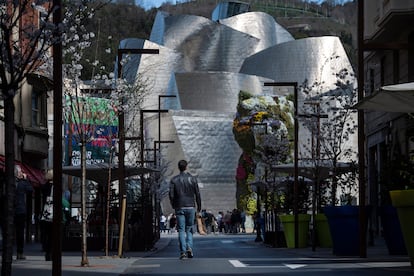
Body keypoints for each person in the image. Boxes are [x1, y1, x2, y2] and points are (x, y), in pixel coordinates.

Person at [169, 159, 201, 260]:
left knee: (181, 230)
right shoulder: (192, 179)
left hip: (179, 206)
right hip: (191, 206)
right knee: (189, 229)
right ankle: (189, 247)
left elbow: (171, 194)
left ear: (179, 167)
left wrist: (174, 204)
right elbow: (197, 194)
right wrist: (199, 206)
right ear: (186, 167)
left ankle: (183, 251)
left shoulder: (174, 180)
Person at [14, 165, 33, 260]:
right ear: (18, 174)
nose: (22, 173)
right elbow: (30, 190)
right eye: (21, 172)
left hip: (11, 210)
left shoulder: (11, 182)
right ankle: (19, 252)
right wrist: (26, 179)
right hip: (20, 211)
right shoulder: (22, 183)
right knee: (20, 233)